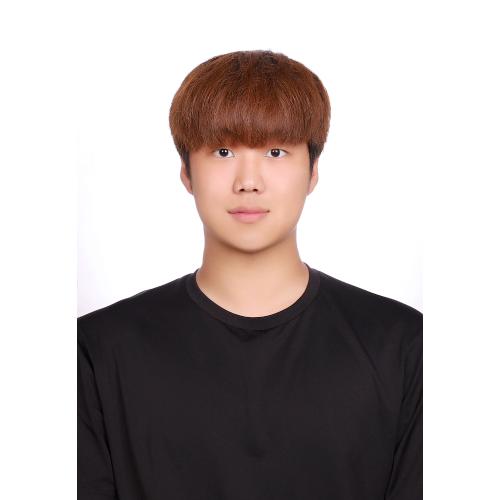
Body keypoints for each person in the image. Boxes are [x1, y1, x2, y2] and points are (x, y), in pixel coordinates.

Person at [78, 50, 422, 500]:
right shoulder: (97, 352)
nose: (249, 181)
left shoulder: (403, 346)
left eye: (276, 152)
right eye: (223, 152)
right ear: (186, 172)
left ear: (313, 171)